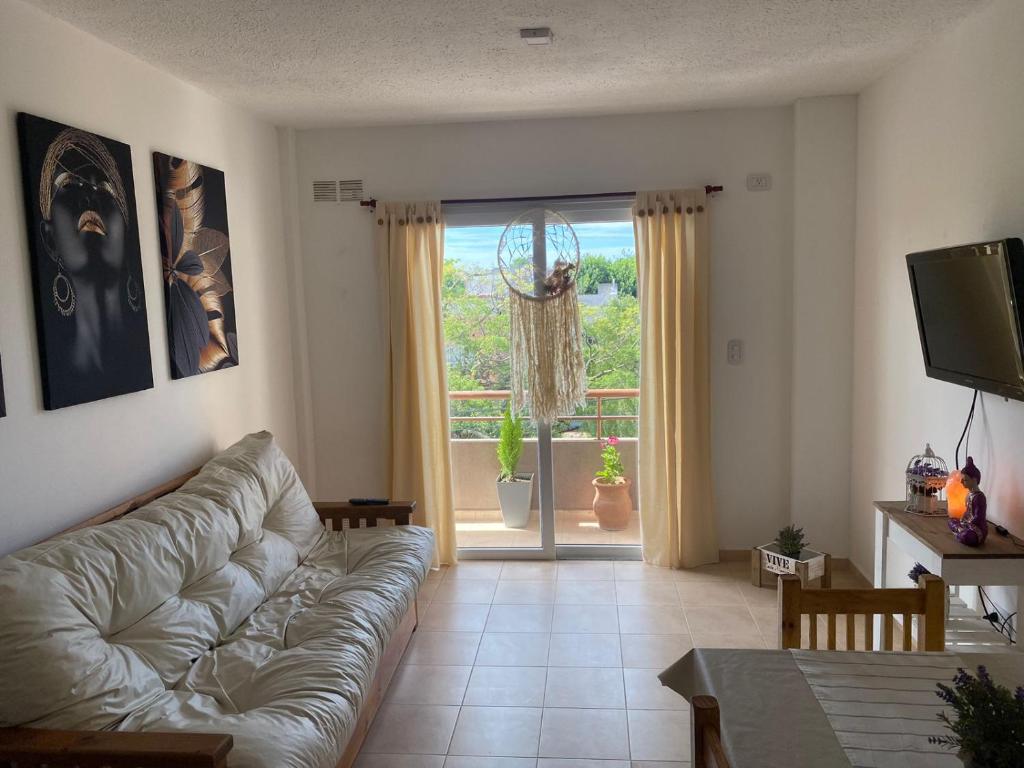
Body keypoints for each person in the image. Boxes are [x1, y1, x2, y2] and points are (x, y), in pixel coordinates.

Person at [948, 457, 987, 546]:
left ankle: (960, 532)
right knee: (951, 520)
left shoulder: (979, 498)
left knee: (967, 536)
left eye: (965, 480)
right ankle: (960, 531)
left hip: (976, 529)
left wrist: (967, 524)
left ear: (974, 480)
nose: (961, 482)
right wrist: (962, 521)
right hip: (966, 524)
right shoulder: (969, 494)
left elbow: (978, 517)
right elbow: (967, 512)